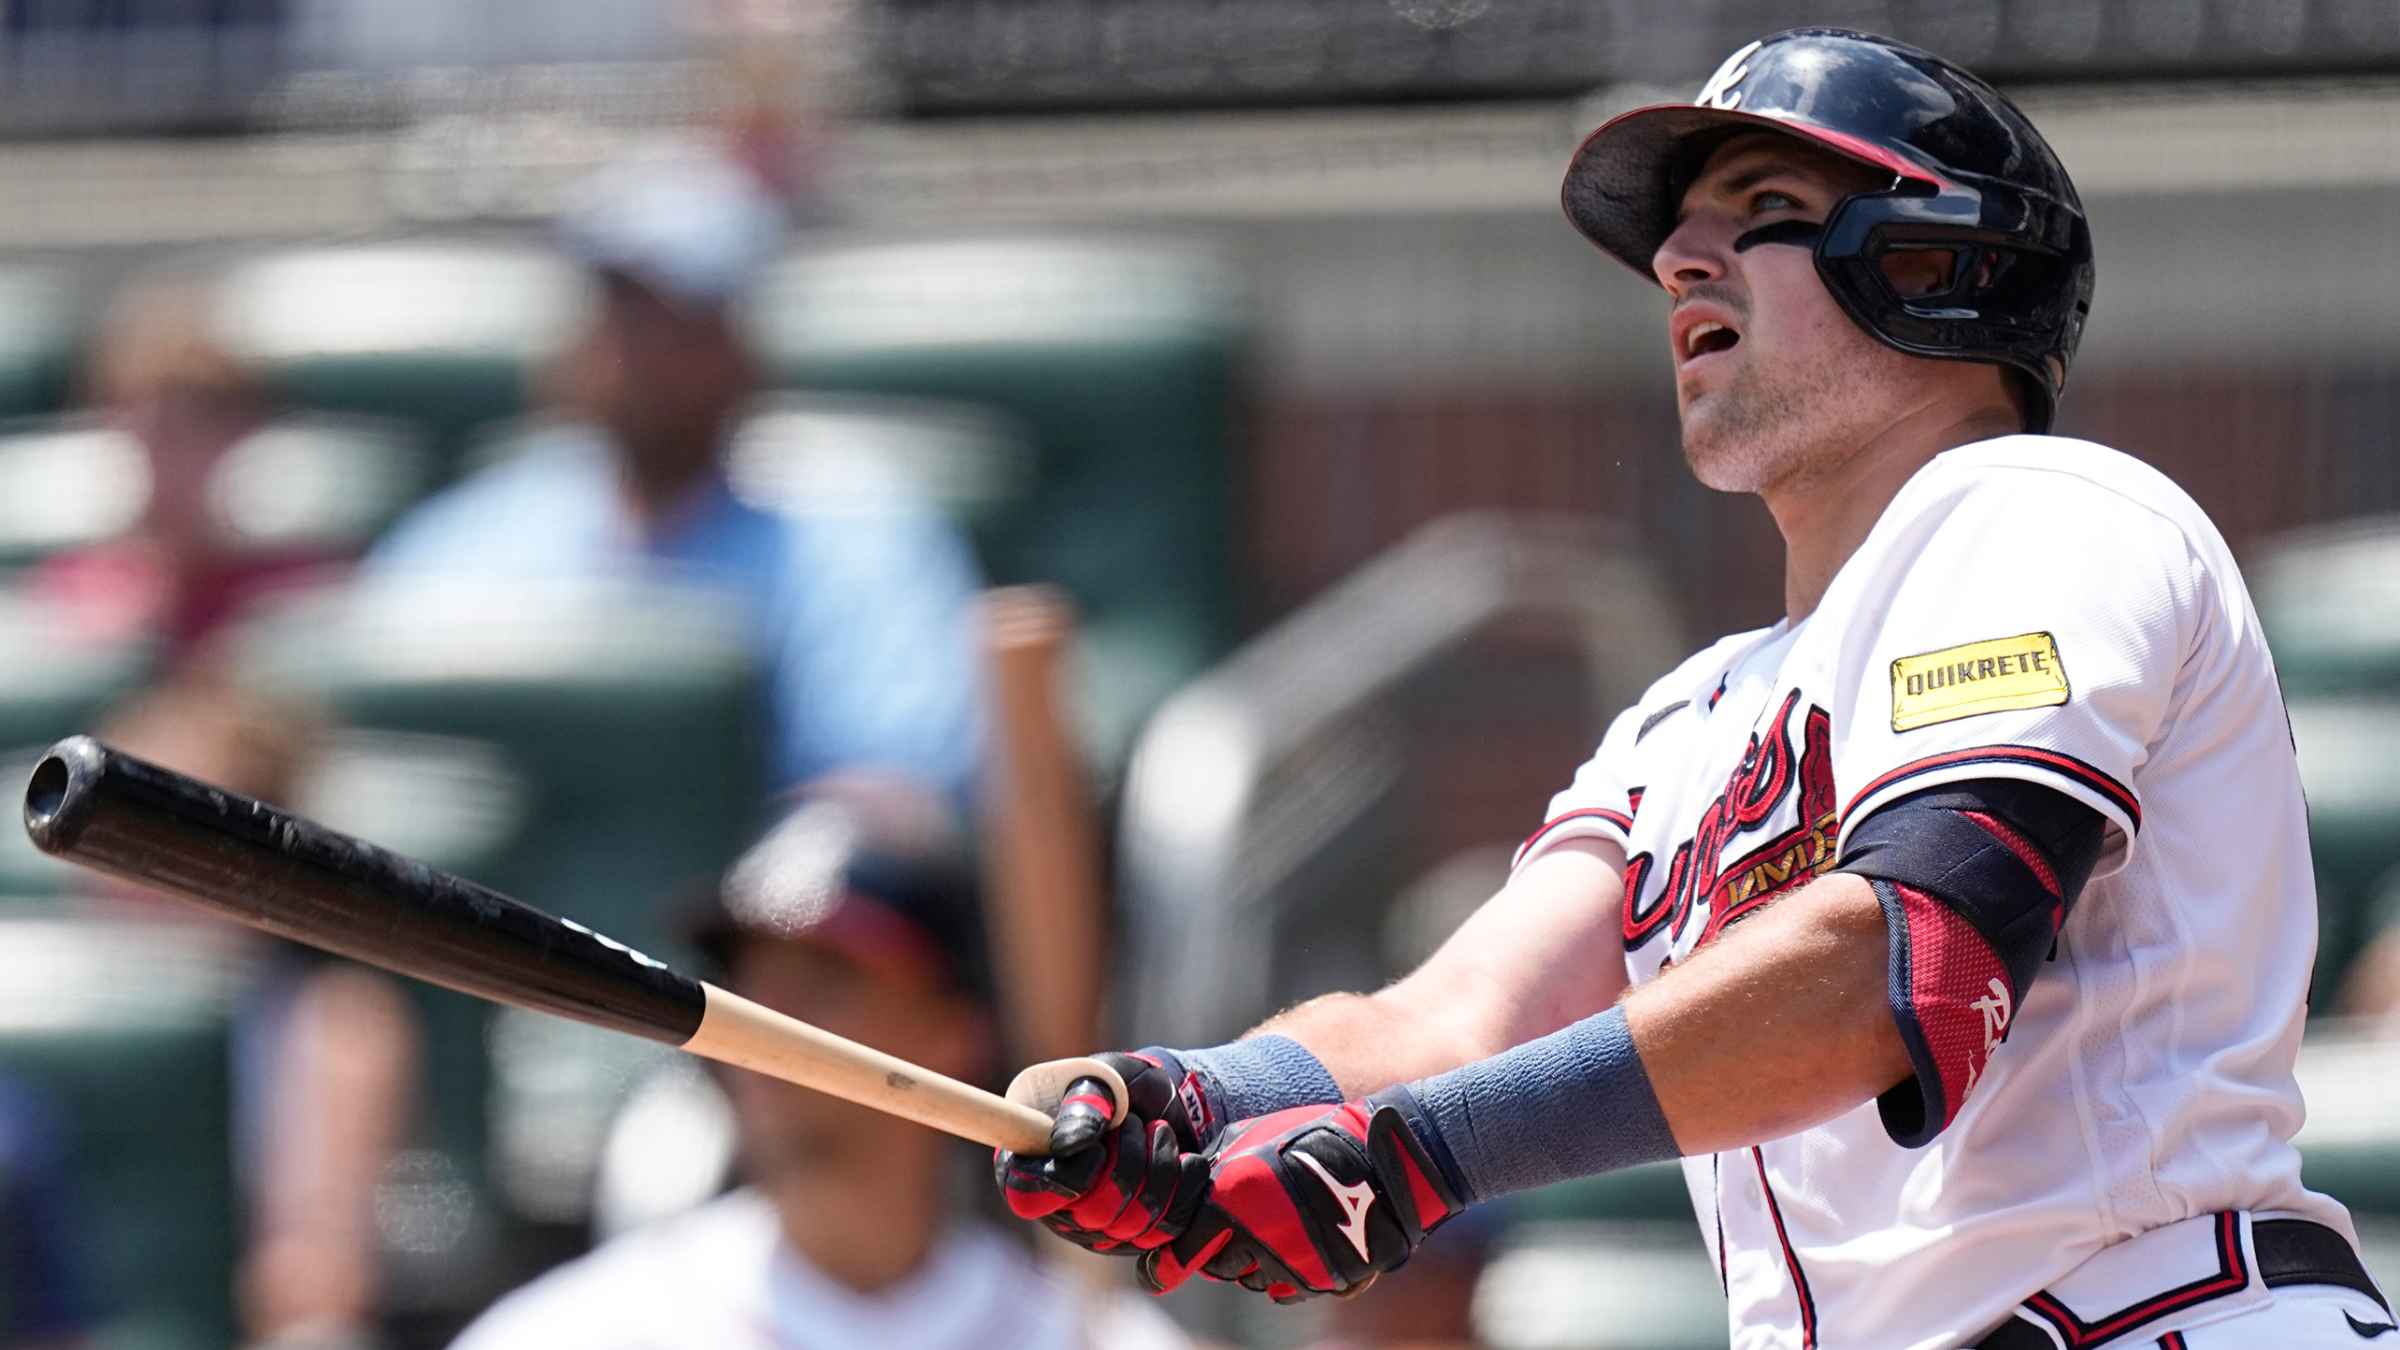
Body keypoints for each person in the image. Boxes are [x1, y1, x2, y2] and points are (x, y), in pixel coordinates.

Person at [993, 28, 2391, 1349]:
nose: (1675, 259)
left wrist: (1416, 1157)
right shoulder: (1685, 720)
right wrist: (1191, 1100)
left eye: (1760, 204)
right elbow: (1452, 1021)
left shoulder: (2046, 512)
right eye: (1674, 231)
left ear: (1930, 257)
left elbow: (1905, 962)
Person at [449, 783, 1188, 1350]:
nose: (769, 1029)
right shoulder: (591, 1332)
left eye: (823, 987)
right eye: (752, 990)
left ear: (954, 1033)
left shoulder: (1081, 1333)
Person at [363, 150, 984, 803]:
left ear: (738, 342)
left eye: (672, 318)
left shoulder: (857, 535)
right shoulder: (468, 536)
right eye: (617, 307)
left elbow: (896, 800)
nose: (635, 350)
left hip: (744, 903)